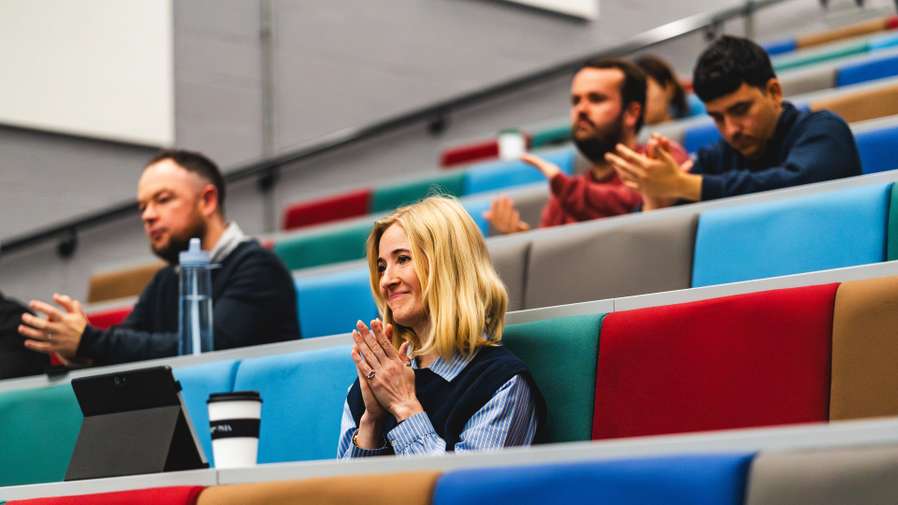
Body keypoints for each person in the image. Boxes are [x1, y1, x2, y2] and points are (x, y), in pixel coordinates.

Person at [18, 150, 300, 365]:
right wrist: (80, 348)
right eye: (143, 207)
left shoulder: (259, 268)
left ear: (207, 201)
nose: (148, 215)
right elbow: (123, 344)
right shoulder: (166, 279)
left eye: (163, 200)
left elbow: (208, 350)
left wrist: (90, 342)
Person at [337, 196, 547, 457]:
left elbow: (463, 484)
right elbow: (344, 485)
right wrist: (371, 422)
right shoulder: (374, 380)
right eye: (382, 267)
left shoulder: (501, 383)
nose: (386, 281)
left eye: (403, 259)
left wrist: (404, 405)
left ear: (448, 265)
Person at [608, 36, 862, 209]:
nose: (731, 130)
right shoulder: (717, 157)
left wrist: (682, 185)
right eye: (717, 117)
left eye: (740, 110)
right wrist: (657, 196)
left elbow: (797, 186)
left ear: (774, 92)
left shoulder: (824, 130)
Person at [484, 59, 688, 234]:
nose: (581, 109)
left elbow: (631, 205)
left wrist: (565, 188)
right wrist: (523, 238)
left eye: (596, 99)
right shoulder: (564, 197)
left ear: (632, 113)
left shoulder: (662, 159)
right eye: (576, 101)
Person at [635, 55, 691, 125]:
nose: (639, 98)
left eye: (646, 88)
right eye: (635, 92)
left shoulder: (695, 124)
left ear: (669, 88)